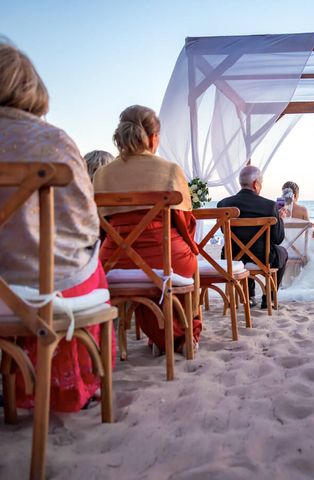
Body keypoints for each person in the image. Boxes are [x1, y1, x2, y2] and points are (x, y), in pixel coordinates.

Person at [0, 41, 114, 412]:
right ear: (29, 86)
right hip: (47, 293)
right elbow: (86, 228)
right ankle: (72, 385)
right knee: (86, 265)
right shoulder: (54, 141)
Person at [94, 105, 201, 354]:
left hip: (114, 261)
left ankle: (160, 337)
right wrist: (191, 246)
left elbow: (100, 227)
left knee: (138, 267)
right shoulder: (170, 170)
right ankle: (184, 336)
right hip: (165, 258)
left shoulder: (101, 174)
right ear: (153, 137)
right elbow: (184, 223)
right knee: (188, 262)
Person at [218, 165, 288, 309]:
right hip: (263, 258)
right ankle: (269, 297)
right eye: (260, 184)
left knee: (243, 249)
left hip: (232, 257)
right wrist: (279, 219)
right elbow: (278, 238)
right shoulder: (269, 206)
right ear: (256, 184)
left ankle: (249, 296)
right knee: (282, 252)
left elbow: (224, 232)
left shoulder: (223, 204)